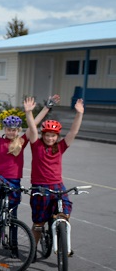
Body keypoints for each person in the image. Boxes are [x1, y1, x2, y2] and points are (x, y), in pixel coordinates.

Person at [0, 95, 56, 225]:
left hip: (14, 180)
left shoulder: (21, 141)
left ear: (18, 130)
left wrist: (47, 108)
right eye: (8, 129)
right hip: (0, 177)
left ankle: (13, 242)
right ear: (4, 129)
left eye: (14, 130)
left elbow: (33, 124)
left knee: (13, 213)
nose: (11, 132)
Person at [24, 96, 85, 245]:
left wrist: (79, 114)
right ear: (43, 135)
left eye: (53, 136)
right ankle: (33, 251)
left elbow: (73, 132)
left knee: (64, 211)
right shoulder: (36, 145)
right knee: (38, 224)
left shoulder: (60, 147)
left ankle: (61, 236)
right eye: (47, 135)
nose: (50, 138)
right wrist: (28, 112)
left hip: (57, 185)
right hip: (40, 186)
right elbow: (32, 128)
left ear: (57, 137)